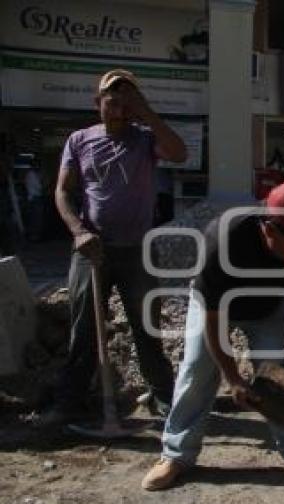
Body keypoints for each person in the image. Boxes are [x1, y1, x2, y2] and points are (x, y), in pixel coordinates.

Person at [141, 181, 284, 491]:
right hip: (217, 306)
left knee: (280, 370)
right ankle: (175, 454)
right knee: (197, 369)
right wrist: (234, 379)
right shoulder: (224, 238)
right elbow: (214, 323)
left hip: (270, 306)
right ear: (270, 229)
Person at [40, 69, 187, 425]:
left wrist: (146, 111)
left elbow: (179, 153)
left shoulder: (145, 139)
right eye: (113, 99)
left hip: (137, 250)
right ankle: (69, 403)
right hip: (92, 249)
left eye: (128, 101)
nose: (120, 107)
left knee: (147, 330)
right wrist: (78, 231)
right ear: (98, 103)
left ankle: (164, 400)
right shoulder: (80, 140)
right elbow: (62, 192)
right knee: (85, 329)